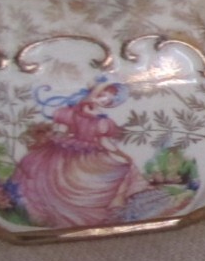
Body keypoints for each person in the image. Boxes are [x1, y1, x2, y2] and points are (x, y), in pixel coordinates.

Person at [13, 81, 150, 228]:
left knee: (121, 168)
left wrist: (121, 155)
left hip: (88, 152)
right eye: (103, 94)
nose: (103, 99)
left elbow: (104, 142)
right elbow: (61, 128)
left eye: (109, 98)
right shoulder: (73, 112)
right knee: (53, 176)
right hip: (68, 150)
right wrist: (56, 138)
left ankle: (117, 206)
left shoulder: (101, 121)